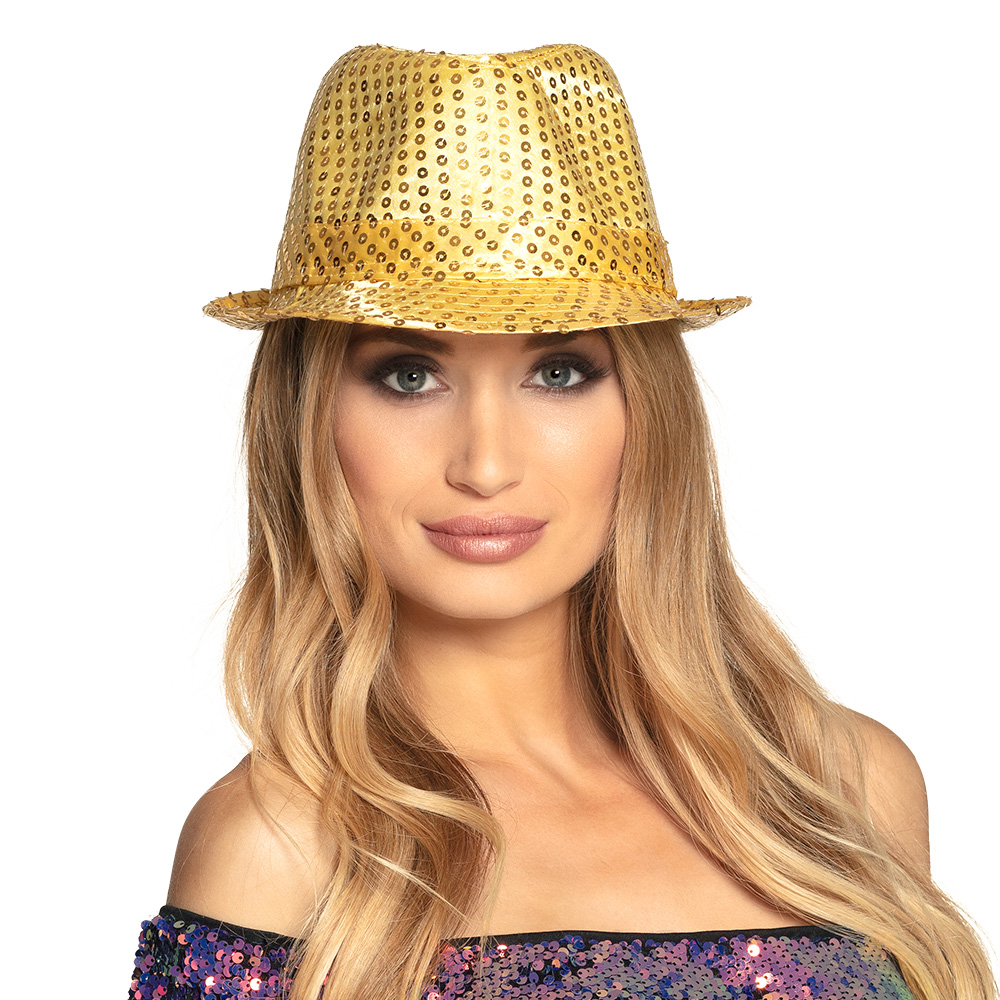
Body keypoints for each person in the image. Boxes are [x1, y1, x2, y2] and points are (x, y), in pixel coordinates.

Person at [128, 41, 996, 1000]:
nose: (486, 464)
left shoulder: (840, 784)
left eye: (557, 371)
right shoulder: (278, 849)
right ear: (307, 417)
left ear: (646, 413)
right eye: (409, 376)